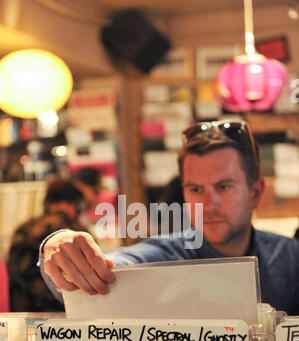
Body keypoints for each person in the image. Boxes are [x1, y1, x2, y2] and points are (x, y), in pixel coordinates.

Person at [39, 120, 299, 315]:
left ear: (255, 193)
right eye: (196, 189)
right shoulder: (165, 253)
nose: (208, 203)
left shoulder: (290, 256)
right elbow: (115, 265)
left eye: (224, 187)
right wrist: (61, 248)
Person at [7, 178, 88, 312]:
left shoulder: (23, 228)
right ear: (70, 203)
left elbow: (15, 275)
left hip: (23, 314)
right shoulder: (74, 231)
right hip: (65, 318)